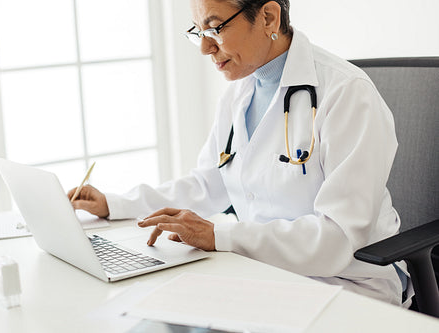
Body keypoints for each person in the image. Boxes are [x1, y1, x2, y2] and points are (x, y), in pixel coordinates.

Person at [68, 0, 411, 306]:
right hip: (264, 275)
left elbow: (337, 237)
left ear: (269, 18)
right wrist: (116, 205)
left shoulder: (347, 94)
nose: (204, 47)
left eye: (215, 28)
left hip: (348, 286)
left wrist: (221, 235)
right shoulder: (239, 93)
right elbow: (206, 185)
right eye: (197, 30)